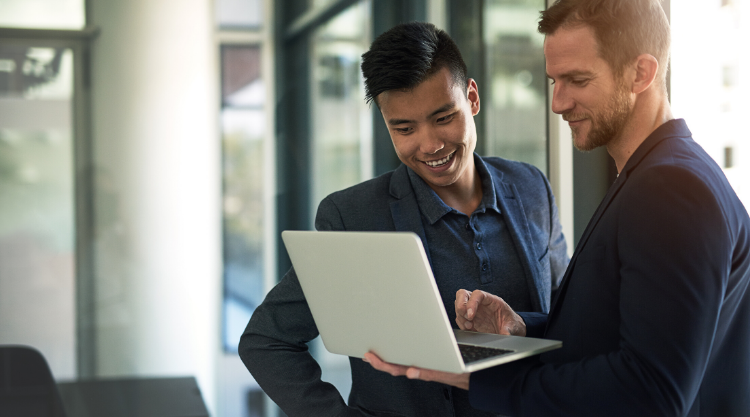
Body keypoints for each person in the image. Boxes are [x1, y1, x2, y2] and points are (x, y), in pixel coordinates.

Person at [365, 1, 750, 416]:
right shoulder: (656, 176)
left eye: (577, 80)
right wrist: (522, 327)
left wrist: (478, 379)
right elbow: (630, 333)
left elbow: (650, 392)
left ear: (642, 73)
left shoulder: (670, 188)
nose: (558, 103)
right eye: (553, 81)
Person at [239, 22, 569, 417]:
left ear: (473, 98)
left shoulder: (531, 188)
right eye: (404, 128)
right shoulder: (354, 218)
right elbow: (265, 340)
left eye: (444, 117)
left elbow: (568, 324)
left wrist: (520, 326)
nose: (430, 144)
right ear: (386, 124)